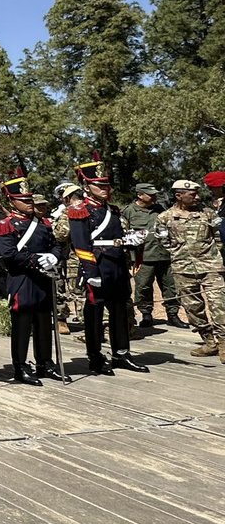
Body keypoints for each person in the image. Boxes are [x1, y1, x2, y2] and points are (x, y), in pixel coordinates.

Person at [68, 152, 149, 375]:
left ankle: (121, 353)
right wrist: (90, 270)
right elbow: (81, 243)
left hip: (116, 265)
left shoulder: (111, 210)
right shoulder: (79, 210)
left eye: (106, 184)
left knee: (120, 310)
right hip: (98, 264)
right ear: (86, 184)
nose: (104, 188)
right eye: (98, 184)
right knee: (94, 313)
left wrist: (130, 240)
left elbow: (117, 236)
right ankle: (95, 357)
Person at [0, 170, 63, 383]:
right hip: (21, 279)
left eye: (29, 198)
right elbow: (10, 255)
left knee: (43, 322)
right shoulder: (5, 224)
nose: (29, 202)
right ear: (12, 201)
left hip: (42, 279)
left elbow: (56, 245)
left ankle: (45, 363)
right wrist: (37, 259)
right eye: (23, 199)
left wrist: (53, 257)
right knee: (22, 324)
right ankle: (20, 366)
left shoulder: (44, 224)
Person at [155, 179, 225, 363]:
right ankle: (210, 342)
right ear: (179, 196)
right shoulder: (164, 218)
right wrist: (179, 254)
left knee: (219, 305)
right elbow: (164, 241)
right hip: (183, 269)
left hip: (211, 266)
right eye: (192, 195)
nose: (197, 197)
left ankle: (224, 343)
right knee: (193, 308)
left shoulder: (208, 214)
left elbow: (218, 238)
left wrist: (213, 256)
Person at [121, 183, 183, 328]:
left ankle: (173, 315)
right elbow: (123, 233)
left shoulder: (160, 209)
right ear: (140, 195)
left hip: (164, 255)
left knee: (170, 286)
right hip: (143, 257)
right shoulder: (129, 212)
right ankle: (146, 315)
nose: (154, 197)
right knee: (143, 287)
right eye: (150, 194)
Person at [51, 182, 86, 334]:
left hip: (75, 257)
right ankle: (62, 319)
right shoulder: (59, 212)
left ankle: (87, 323)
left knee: (78, 290)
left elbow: (61, 234)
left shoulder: (69, 212)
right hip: (65, 256)